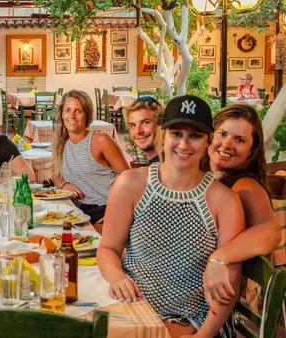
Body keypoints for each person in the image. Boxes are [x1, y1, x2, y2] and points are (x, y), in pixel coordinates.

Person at [98, 95, 245, 338]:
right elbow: (108, 248)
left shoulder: (225, 201)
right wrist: (116, 277)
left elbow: (228, 286)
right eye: (176, 133)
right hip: (131, 309)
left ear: (208, 141)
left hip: (191, 321)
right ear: (162, 136)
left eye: (195, 136)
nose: (184, 145)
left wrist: (201, 336)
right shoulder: (131, 184)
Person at [203, 104, 281, 313]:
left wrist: (219, 258)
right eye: (223, 134)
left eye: (239, 140)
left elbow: (271, 232)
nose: (227, 144)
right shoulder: (202, 177)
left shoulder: (245, 187)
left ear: (251, 151)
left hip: (209, 302)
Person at [51, 89, 129, 225]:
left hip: (104, 209)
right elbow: (55, 175)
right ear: (61, 114)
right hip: (77, 210)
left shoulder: (101, 140)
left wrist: (117, 211)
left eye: (78, 111)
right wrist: (65, 185)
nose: (72, 116)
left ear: (87, 115)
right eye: (68, 110)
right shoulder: (62, 143)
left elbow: (129, 179)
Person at [123, 96, 164, 164]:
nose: (138, 131)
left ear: (160, 124)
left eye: (145, 122)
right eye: (132, 125)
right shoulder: (156, 163)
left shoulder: (167, 166)